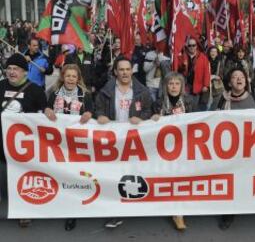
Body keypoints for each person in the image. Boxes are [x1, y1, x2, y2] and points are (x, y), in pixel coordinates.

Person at [95, 56, 152, 228]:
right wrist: (100, 116)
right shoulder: (105, 91)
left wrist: (141, 117)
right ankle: (115, 211)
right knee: (113, 176)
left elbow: (149, 110)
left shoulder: (142, 91)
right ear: (115, 72)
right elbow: (98, 109)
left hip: (134, 141)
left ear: (132, 71)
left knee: (132, 175)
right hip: (113, 141)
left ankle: (134, 204)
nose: (125, 72)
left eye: (128, 69)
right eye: (121, 70)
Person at [44, 64, 93, 231]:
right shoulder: (54, 94)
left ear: (78, 79)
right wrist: (47, 110)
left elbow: (92, 112)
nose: (71, 79)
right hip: (57, 143)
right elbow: (46, 110)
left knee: (74, 176)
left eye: (74, 76)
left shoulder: (85, 96)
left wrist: (89, 114)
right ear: (63, 77)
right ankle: (59, 203)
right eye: (68, 76)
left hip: (77, 144)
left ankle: (73, 211)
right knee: (59, 174)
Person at [0, 53, 47, 228]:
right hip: (1, 142)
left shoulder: (35, 91)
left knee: (24, 177)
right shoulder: (0, 86)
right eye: (9, 68)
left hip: (24, 145)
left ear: (25, 73)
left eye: (16, 69)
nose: (12, 72)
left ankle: (25, 212)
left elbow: (44, 114)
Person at [213, 67, 255, 229]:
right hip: (227, 149)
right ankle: (228, 214)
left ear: (246, 81)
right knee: (229, 182)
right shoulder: (222, 99)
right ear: (229, 82)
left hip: (248, 148)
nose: (238, 79)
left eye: (241, 77)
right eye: (234, 77)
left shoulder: (254, 99)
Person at [150, 72, 194, 231]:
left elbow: (199, 122)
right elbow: (150, 126)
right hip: (164, 148)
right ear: (165, 86)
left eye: (177, 83)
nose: (174, 87)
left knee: (181, 179)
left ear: (182, 87)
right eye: (170, 83)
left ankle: (179, 213)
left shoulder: (189, 102)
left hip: (184, 147)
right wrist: (153, 119)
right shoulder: (158, 103)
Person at [179, 37, 210, 111]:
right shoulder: (183, 56)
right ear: (187, 46)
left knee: (195, 107)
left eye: (194, 45)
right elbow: (178, 70)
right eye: (190, 45)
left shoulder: (202, 57)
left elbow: (207, 72)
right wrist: (182, 66)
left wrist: (206, 85)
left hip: (197, 86)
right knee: (185, 106)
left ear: (196, 46)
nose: (192, 47)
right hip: (185, 86)